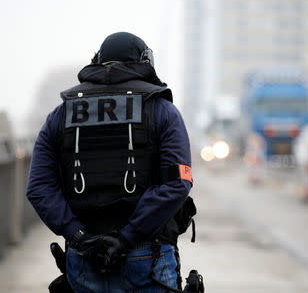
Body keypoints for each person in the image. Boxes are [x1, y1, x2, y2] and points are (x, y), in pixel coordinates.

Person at [27, 32, 194, 293]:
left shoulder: (60, 115)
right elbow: (177, 183)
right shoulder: (162, 111)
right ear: (145, 62)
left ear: (97, 61)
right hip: (147, 256)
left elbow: (39, 188)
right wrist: (127, 238)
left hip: (83, 258)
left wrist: (78, 235)